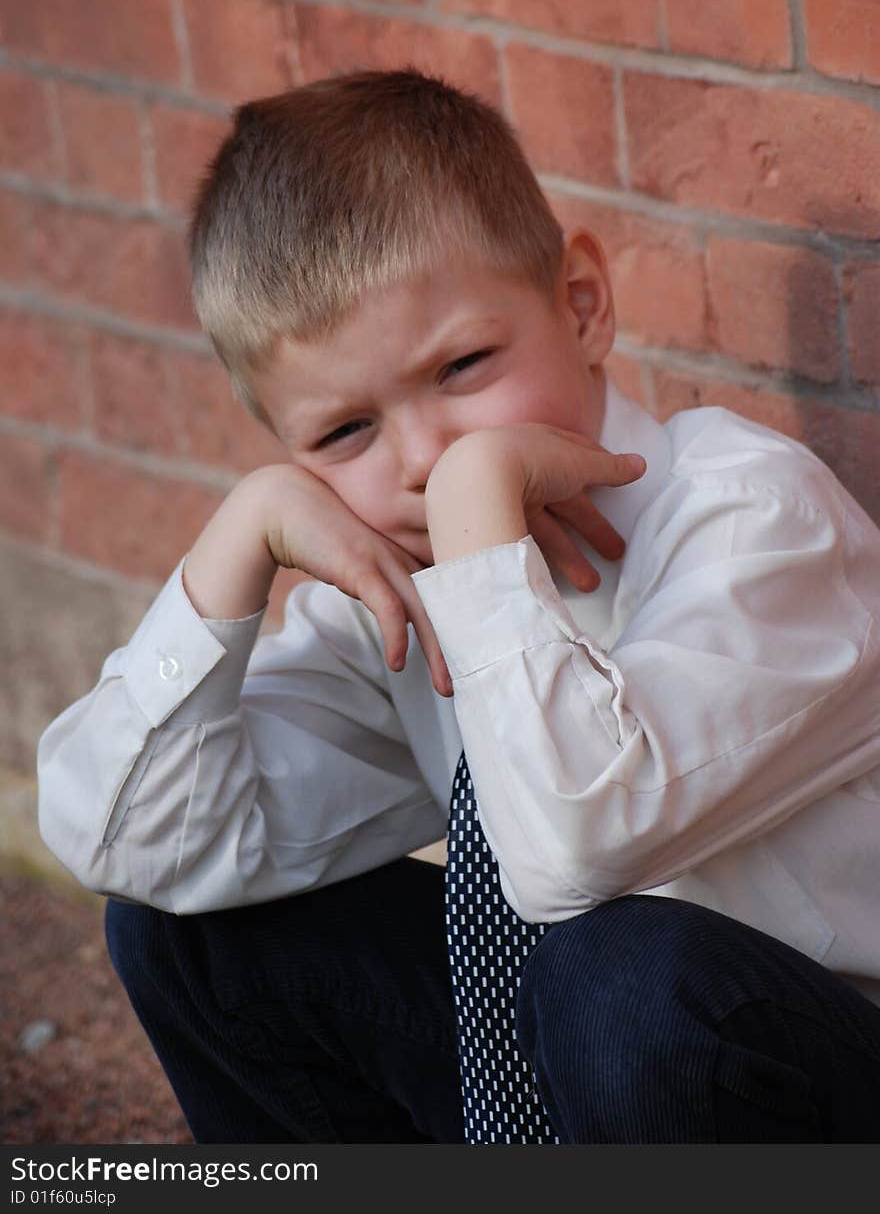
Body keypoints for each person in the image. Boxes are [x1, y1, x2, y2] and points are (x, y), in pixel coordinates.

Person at [37, 68, 880, 1144]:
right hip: (566, 1093)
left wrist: (484, 511)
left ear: (580, 303)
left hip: (810, 1081)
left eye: (464, 366)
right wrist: (237, 540)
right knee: (186, 931)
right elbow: (132, 837)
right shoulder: (400, 600)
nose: (427, 458)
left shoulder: (753, 517)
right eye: (344, 433)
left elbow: (575, 846)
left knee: (620, 972)